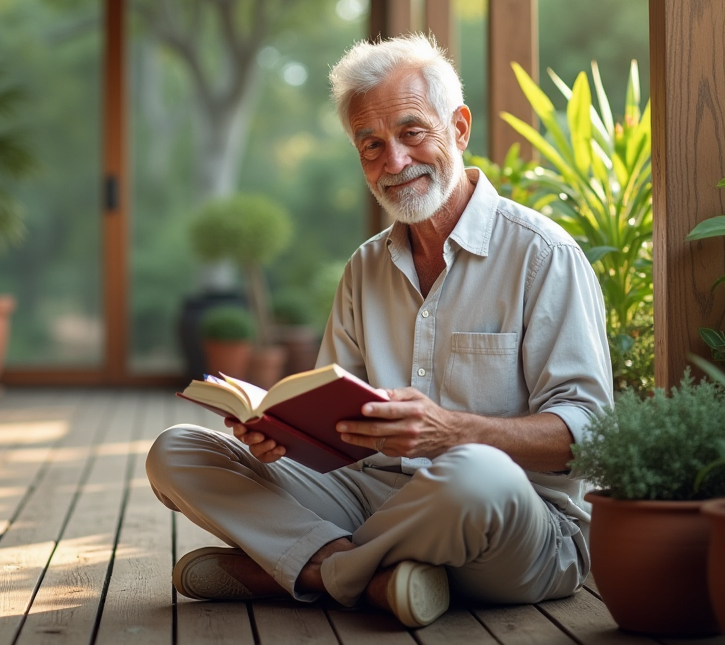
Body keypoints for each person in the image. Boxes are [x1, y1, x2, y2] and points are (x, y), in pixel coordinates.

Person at [146, 33, 614, 628]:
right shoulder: (364, 267)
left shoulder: (543, 255)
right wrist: (282, 437)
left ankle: (304, 572)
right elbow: (337, 438)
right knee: (177, 452)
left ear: (460, 127)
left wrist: (449, 432)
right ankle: (378, 576)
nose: (394, 162)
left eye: (412, 132)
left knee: (476, 470)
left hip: (513, 526)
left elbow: (592, 434)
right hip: (374, 501)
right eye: (371, 145)